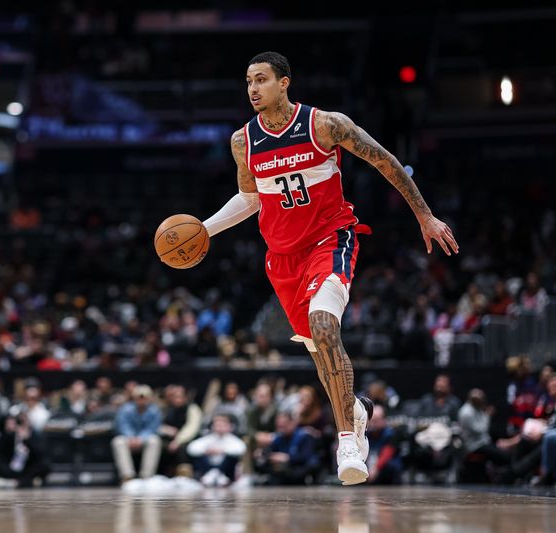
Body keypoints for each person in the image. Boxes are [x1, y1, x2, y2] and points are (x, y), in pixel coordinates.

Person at [198, 51, 458, 485]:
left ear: (284, 83)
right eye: (248, 82)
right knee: (320, 352)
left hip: (329, 240)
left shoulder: (324, 124)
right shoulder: (243, 141)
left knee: (324, 326)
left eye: (261, 80)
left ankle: (347, 441)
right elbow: (251, 199)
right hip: (282, 259)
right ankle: (354, 410)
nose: (253, 89)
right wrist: (205, 229)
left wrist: (424, 215)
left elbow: (385, 160)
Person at [111, 384, 162, 482]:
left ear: (149, 398)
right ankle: (127, 476)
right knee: (118, 441)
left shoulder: (155, 410)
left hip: (144, 439)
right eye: (139, 397)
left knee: (155, 440)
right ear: (134, 398)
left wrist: (140, 438)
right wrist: (131, 437)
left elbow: (153, 428)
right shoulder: (125, 409)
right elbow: (123, 425)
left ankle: (147, 476)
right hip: (129, 439)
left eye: (145, 398)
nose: (142, 400)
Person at [187, 414, 247, 487]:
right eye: (217, 425)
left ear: (229, 426)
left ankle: (220, 475)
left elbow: (241, 449)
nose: (220, 428)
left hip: (225, 470)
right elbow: (191, 448)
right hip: (208, 467)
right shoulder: (208, 439)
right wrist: (206, 451)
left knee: (232, 457)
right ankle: (210, 474)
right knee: (198, 455)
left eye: (223, 425)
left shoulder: (232, 439)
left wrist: (222, 451)